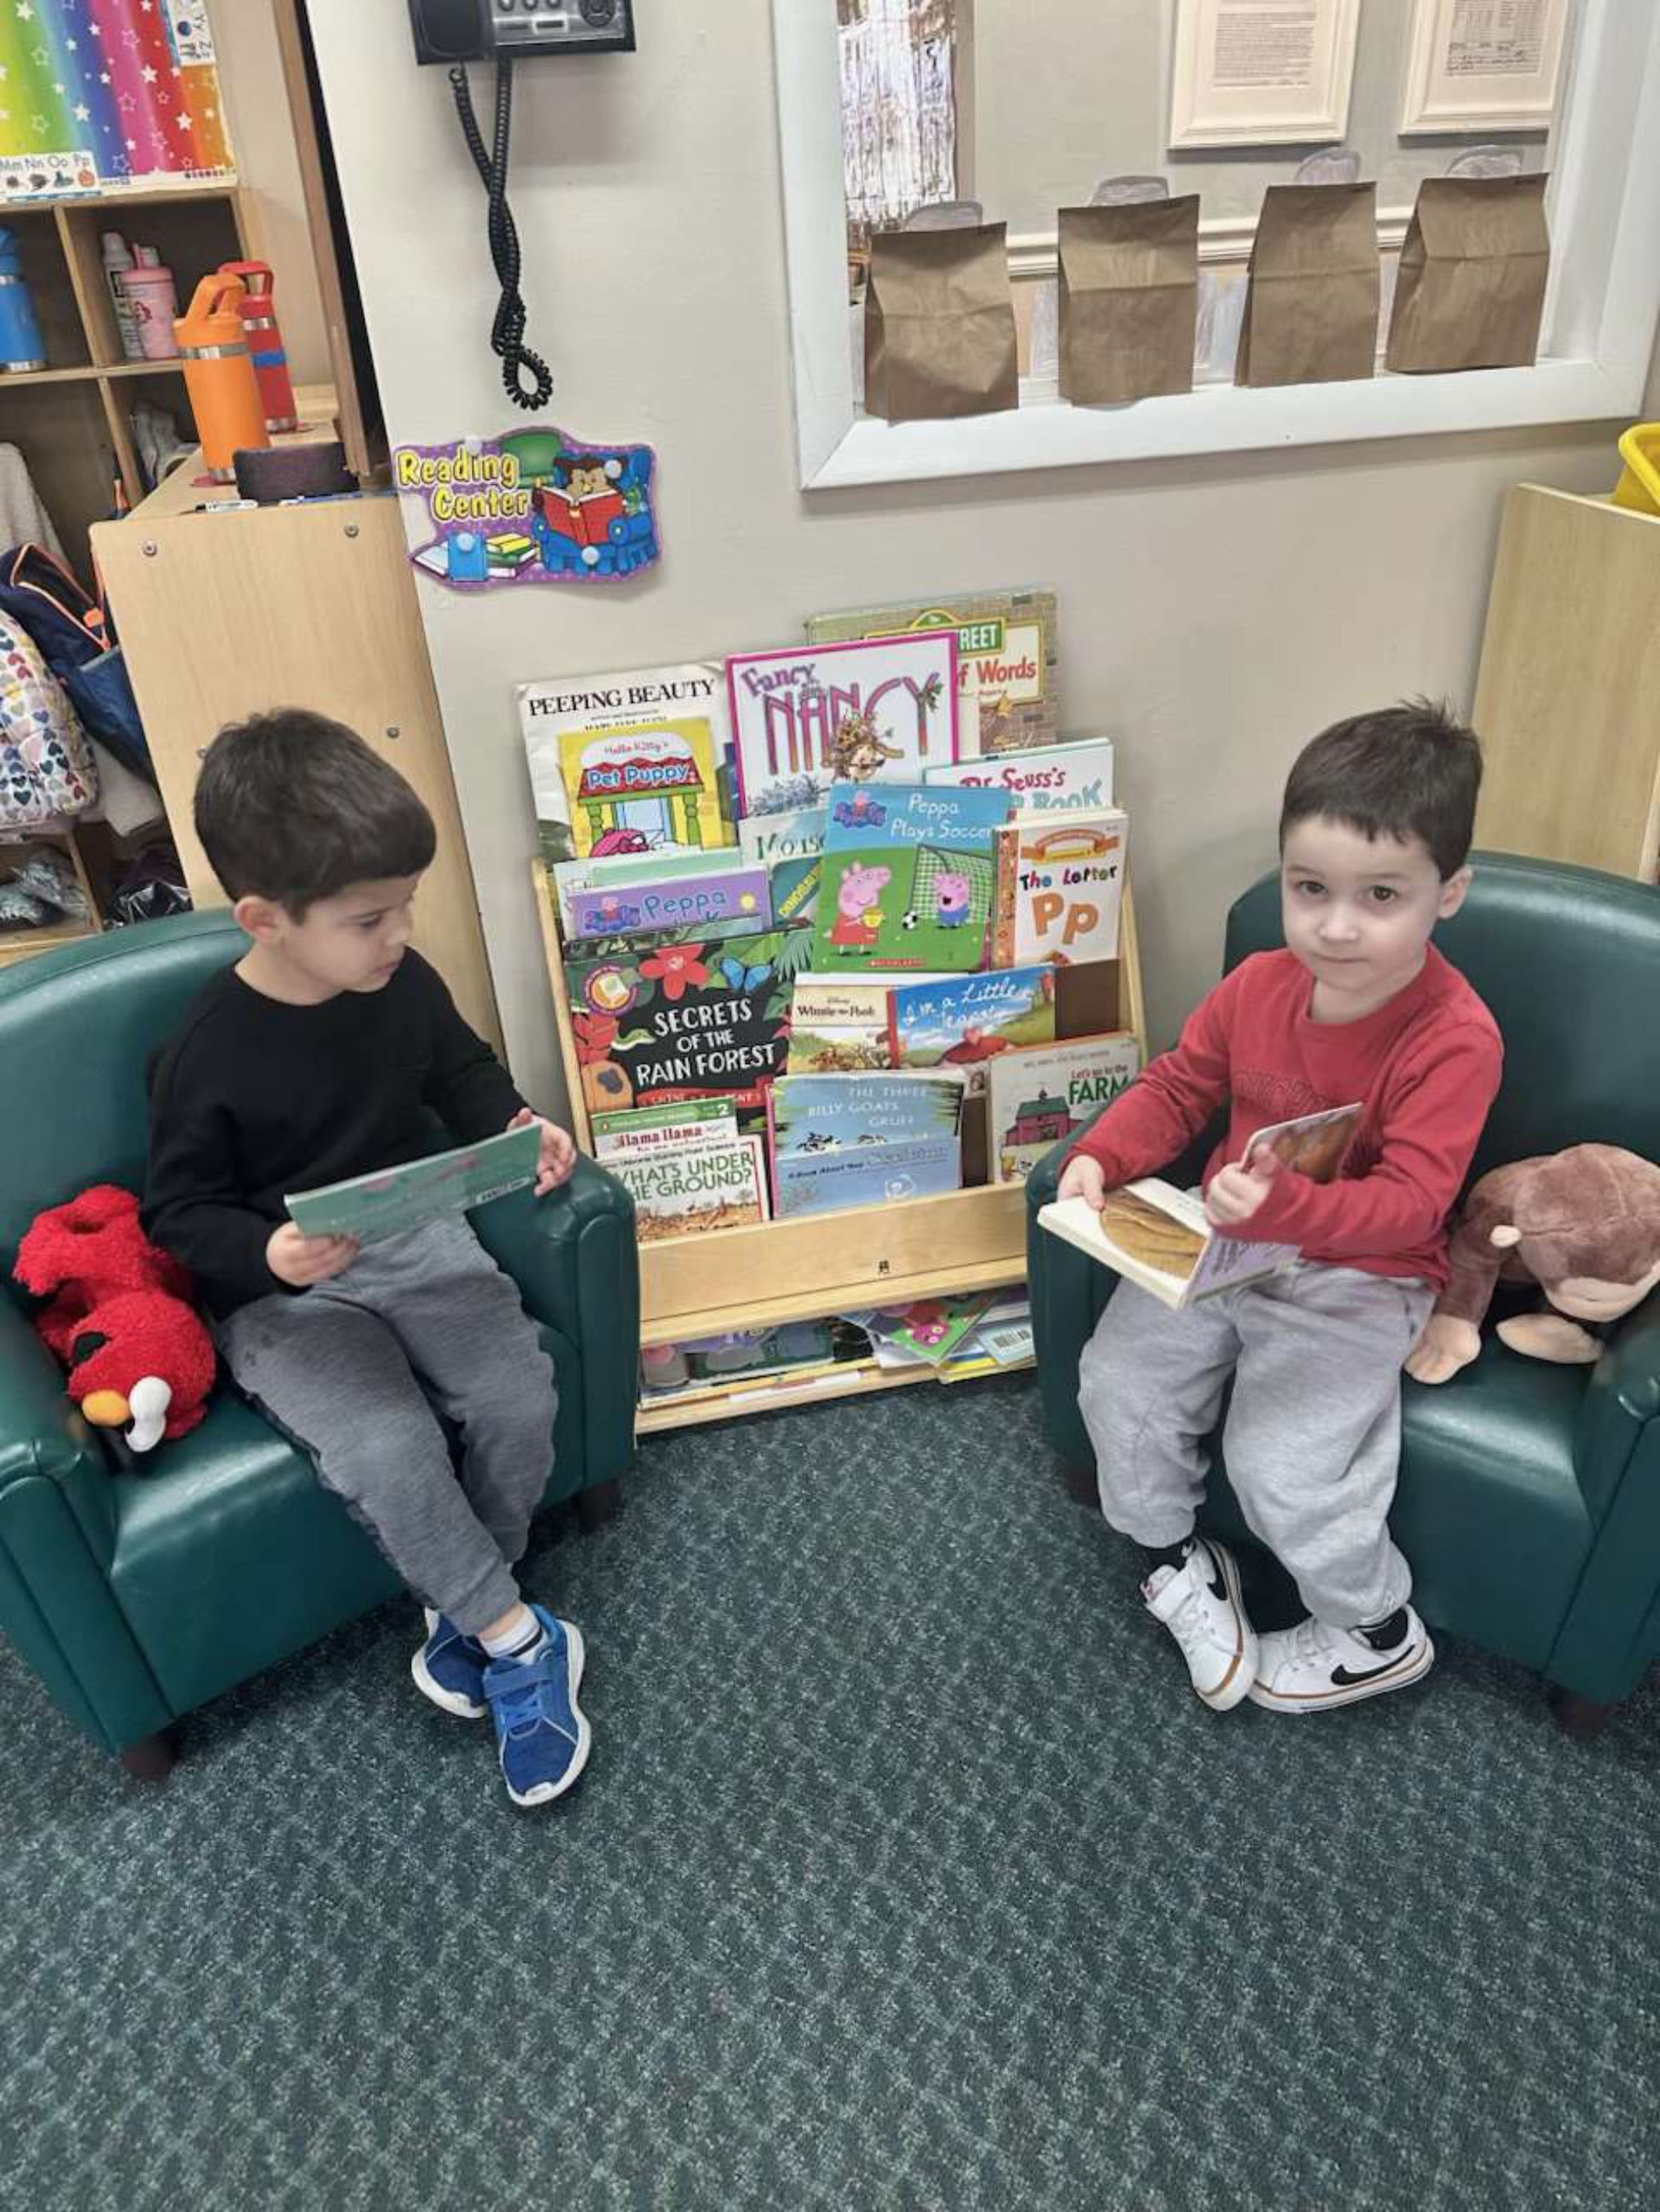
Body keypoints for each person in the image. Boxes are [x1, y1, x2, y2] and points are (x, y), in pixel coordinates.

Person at [144, 710, 589, 1807]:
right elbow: (178, 1213)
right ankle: (522, 1641)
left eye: (404, 907)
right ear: (265, 919)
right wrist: (271, 1253)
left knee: (517, 1395)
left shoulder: (398, 981)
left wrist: (519, 1123)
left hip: (417, 1236)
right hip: (284, 1295)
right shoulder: (206, 1051)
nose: (396, 936)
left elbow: (462, 1070)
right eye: (366, 919)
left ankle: (462, 1605)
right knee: (388, 1447)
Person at [1059, 703, 1503, 1715]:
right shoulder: (1260, 983)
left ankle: (1379, 1631)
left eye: (1382, 895)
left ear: (1450, 894)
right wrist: (1099, 1156)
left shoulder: (1455, 1038)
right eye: (1311, 890)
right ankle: (1175, 1560)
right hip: (1225, 1243)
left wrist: (1288, 1206)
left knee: (1285, 1466)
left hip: (1365, 1274)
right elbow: (1177, 1086)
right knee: (1120, 1388)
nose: (1337, 926)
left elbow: (1410, 1206)